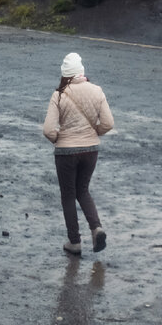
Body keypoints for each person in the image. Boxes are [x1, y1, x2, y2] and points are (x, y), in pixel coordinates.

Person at [42, 52, 114, 255]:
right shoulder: (97, 90)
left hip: (66, 152)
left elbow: (48, 130)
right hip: (91, 150)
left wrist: (59, 138)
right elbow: (108, 123)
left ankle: (74, 242)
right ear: (81, 71)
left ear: (65, 74)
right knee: (83, 190)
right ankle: (96, 228)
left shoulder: (59, 94)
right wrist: (93, 134)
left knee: (68, 195)